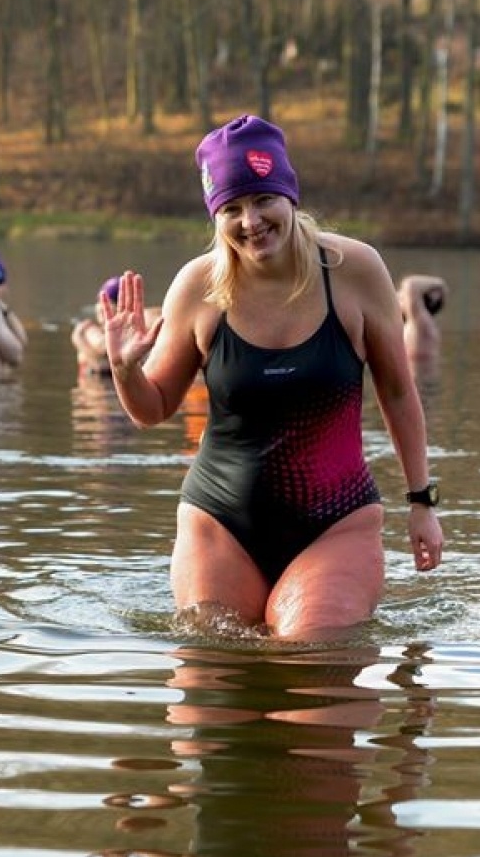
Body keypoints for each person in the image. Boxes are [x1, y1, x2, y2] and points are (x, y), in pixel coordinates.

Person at [99, 115, 443, 639]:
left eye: (263, 200)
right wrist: (124, 368)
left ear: (290, 195)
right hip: (219, 522)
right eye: (231, 208)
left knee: (311, 659)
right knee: (211, 674)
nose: (250, 221)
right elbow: (153, 409)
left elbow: (397, 391)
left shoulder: (355, 269)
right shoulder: (198, 286)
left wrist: (421, 504)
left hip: (335, 521)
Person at [73, 274, 161, 379]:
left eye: (107, 303)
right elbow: (104, 351)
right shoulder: (88, 330)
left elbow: (105, 349)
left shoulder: (142, 319)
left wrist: (78, 338)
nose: (100, 308)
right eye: (100, 303)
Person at [397, 273, 447, 376]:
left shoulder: (421, 324)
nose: (398, 296)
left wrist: (439, 284)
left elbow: (410, 285)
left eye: (402, 296)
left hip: (421, 378)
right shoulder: (413, 325)